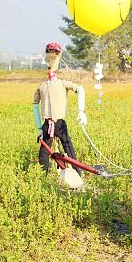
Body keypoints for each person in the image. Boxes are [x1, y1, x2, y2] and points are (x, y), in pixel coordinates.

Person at [33, 42, 87, 175]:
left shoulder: (60, 84)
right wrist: (39, 126)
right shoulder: (43, 86)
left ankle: (76, 173)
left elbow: (79, 89)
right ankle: (43, 176)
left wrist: (81, 111)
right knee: (48, 152)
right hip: (49, 124)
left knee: (65, 148)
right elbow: (35, 103)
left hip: (56, 124)